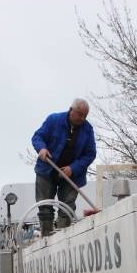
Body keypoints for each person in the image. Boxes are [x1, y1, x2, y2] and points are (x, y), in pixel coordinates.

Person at [31, 98, 97, 236]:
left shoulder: (87, 130)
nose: (82, 118)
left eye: (85, 115)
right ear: (71, 110)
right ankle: (46, 236)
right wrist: (41, 149)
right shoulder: (53, 120)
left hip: (73, 174)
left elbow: (90, 154)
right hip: (47, 169)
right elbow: (38, 137)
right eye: (80, 114)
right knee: (44, 206)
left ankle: (63, 237)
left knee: (67, 207)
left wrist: (73, 168)